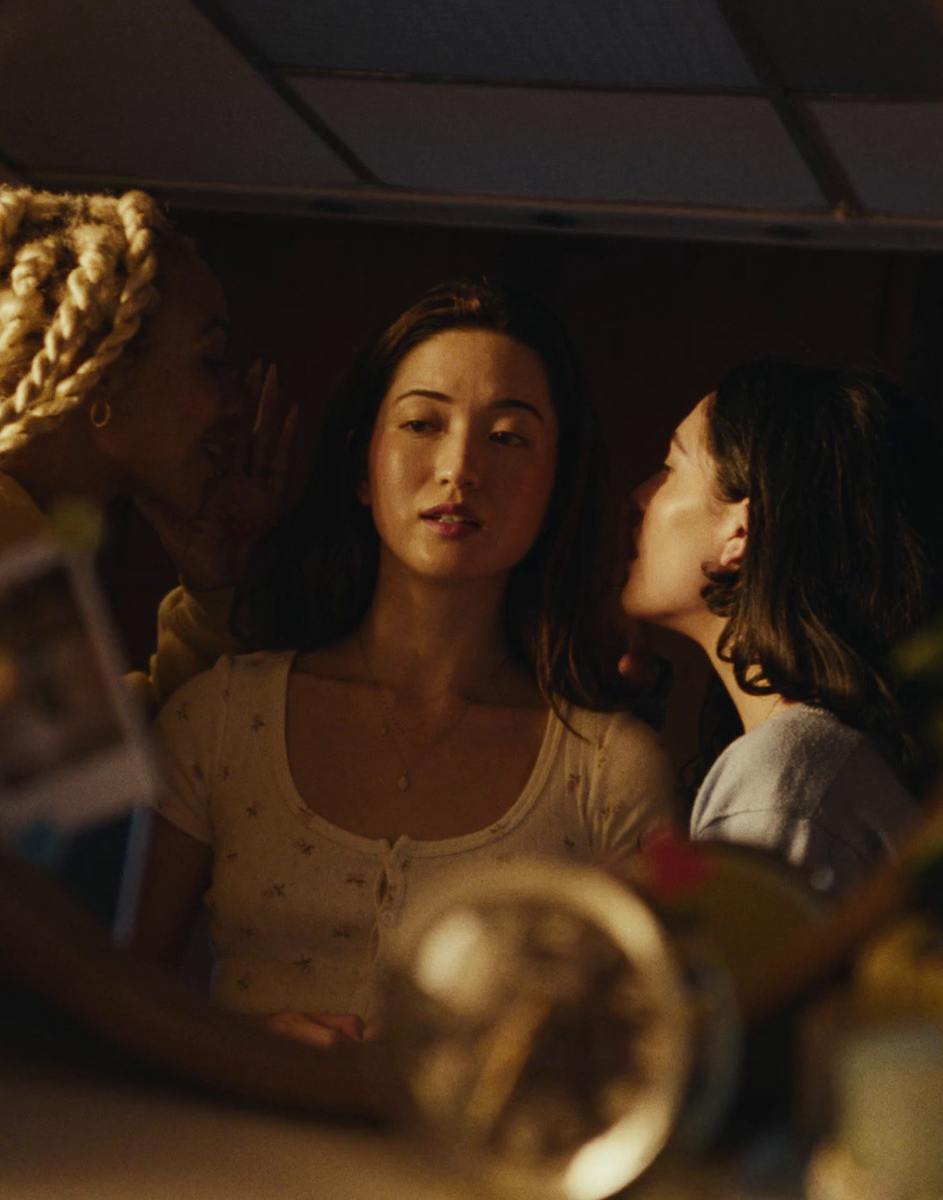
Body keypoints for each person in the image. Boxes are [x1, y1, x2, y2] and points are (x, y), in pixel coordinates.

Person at [129, 280, 672, 1046]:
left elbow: (650, 1046)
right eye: (422, 423)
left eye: (509, 437)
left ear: (556, 485)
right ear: (363, 466)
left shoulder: (609, 770)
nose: (460, 468)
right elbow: (113, 995)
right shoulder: (221, 718)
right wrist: (243, 1043)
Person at [0, 185, 291, 710]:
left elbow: (105, 777)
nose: (233, 404)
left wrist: (211, 598)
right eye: (210, 361)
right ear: (101, 382)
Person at [621, 360, 943, 897]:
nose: (642, 496)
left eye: (670, 468)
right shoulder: (818, 764)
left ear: (740, 530)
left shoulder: (786, 781)